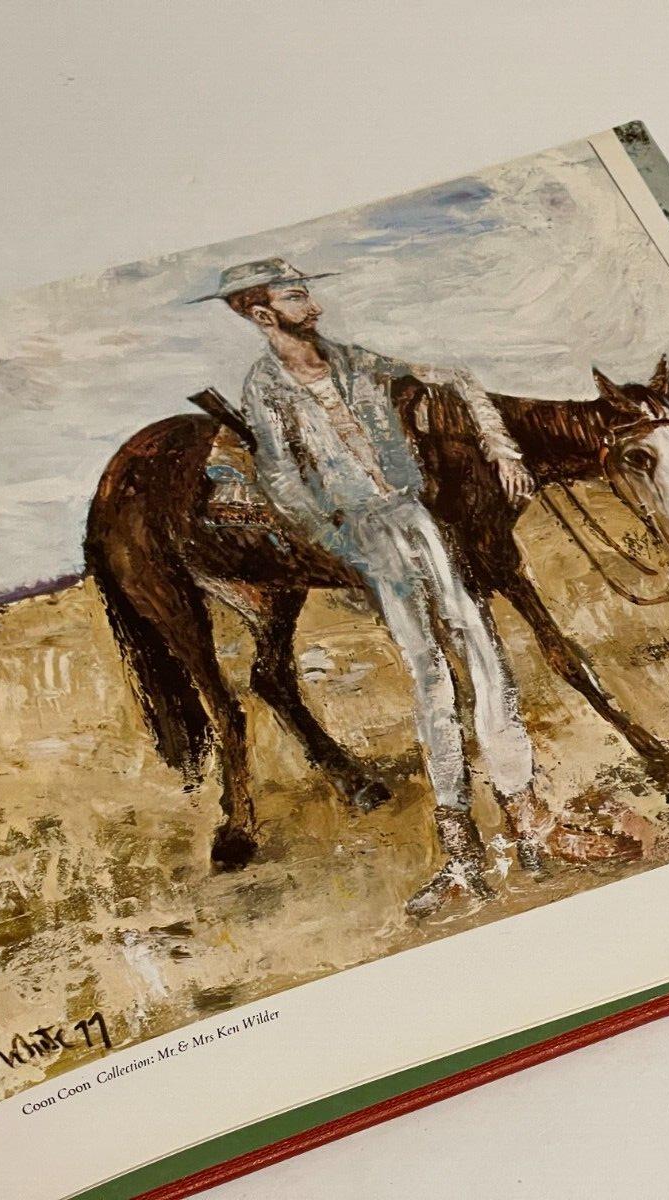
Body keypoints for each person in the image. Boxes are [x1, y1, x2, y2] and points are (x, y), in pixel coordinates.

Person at [191, 258, 538, 918]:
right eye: (297, 297)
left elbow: (452, 375)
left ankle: (528, 823)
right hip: (365, 531)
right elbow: (283, 480)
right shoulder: (265, 389)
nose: (313, 306)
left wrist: (503, 448)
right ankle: (462, 852)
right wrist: (339, 539)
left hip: (414, 515)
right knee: (430, 675)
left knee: (484, 653)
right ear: (263, 314)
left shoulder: (355, 360)